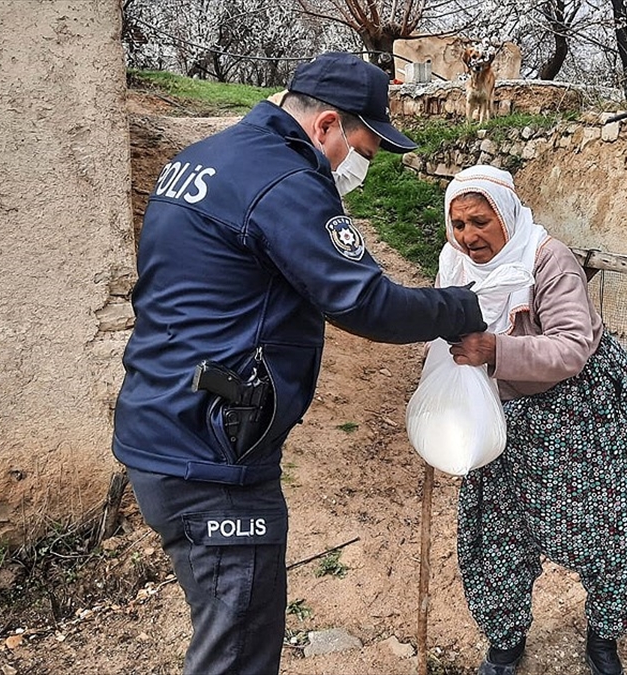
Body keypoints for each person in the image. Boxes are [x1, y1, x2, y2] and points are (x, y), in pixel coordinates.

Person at [111, 52, 486, 675]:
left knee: (222, 629)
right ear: (327, 125)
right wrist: (460, 308)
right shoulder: (285, 180)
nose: (356, 165)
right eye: (362, 147)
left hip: (161, 423)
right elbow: (366, 303)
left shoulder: (202, 159)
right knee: (238, 653)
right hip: (214, 462)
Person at [439, 166, 627, 675]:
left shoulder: (548, 258)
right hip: (503, 410)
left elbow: (572, 346)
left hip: (581, 411)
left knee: (601, 525)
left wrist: (494, 348)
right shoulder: (455, 263)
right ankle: (505, 642)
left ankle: (603, 636)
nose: (469, 236)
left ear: (506, 215)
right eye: (459, 223)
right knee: (498, 529)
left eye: (481, 221)